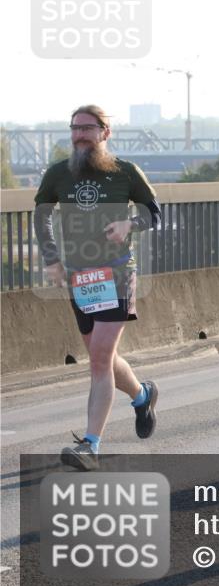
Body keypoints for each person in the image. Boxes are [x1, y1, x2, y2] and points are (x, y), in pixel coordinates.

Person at [33, 105, 162, 471]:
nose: (79, 135)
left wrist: (129, 224)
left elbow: (154, 213)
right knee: (101, 357)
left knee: (101, 358)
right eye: (75, 128)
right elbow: (41, 214)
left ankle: (90, 446)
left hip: (118, 273)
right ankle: (141, 395)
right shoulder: (58, 173)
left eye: (88, 128)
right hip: (81, 277)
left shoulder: (126, 172)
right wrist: (51, 258)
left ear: (105, 133)